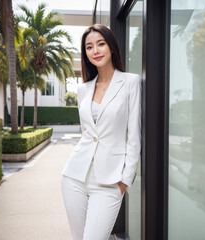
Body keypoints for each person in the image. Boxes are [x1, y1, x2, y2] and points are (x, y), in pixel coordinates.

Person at [61, 24, 141, 240]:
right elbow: (88, 134)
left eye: (101, 44)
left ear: (111, 47)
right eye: (89, 47)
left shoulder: (130, 83)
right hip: (75, 176)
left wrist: (125, 181)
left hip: (110, 181)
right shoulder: (83, 89)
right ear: (85, 53)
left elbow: (133, 136)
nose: (95, 50)